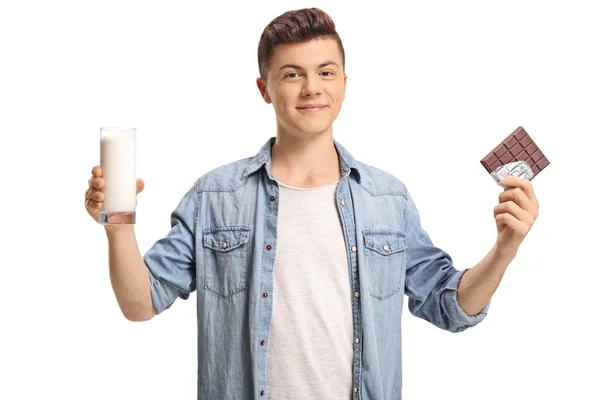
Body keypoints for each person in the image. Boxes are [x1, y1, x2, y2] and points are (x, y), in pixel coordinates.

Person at [84, 7, 540, 400]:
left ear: (343, 82)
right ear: (265, 88)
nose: (311, 88)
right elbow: (140, 304)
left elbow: (450, 306)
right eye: (291, 74)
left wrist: (505, 247)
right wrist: (118, 226)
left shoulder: (387, 198)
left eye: (325, 72)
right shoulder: (215, 197)